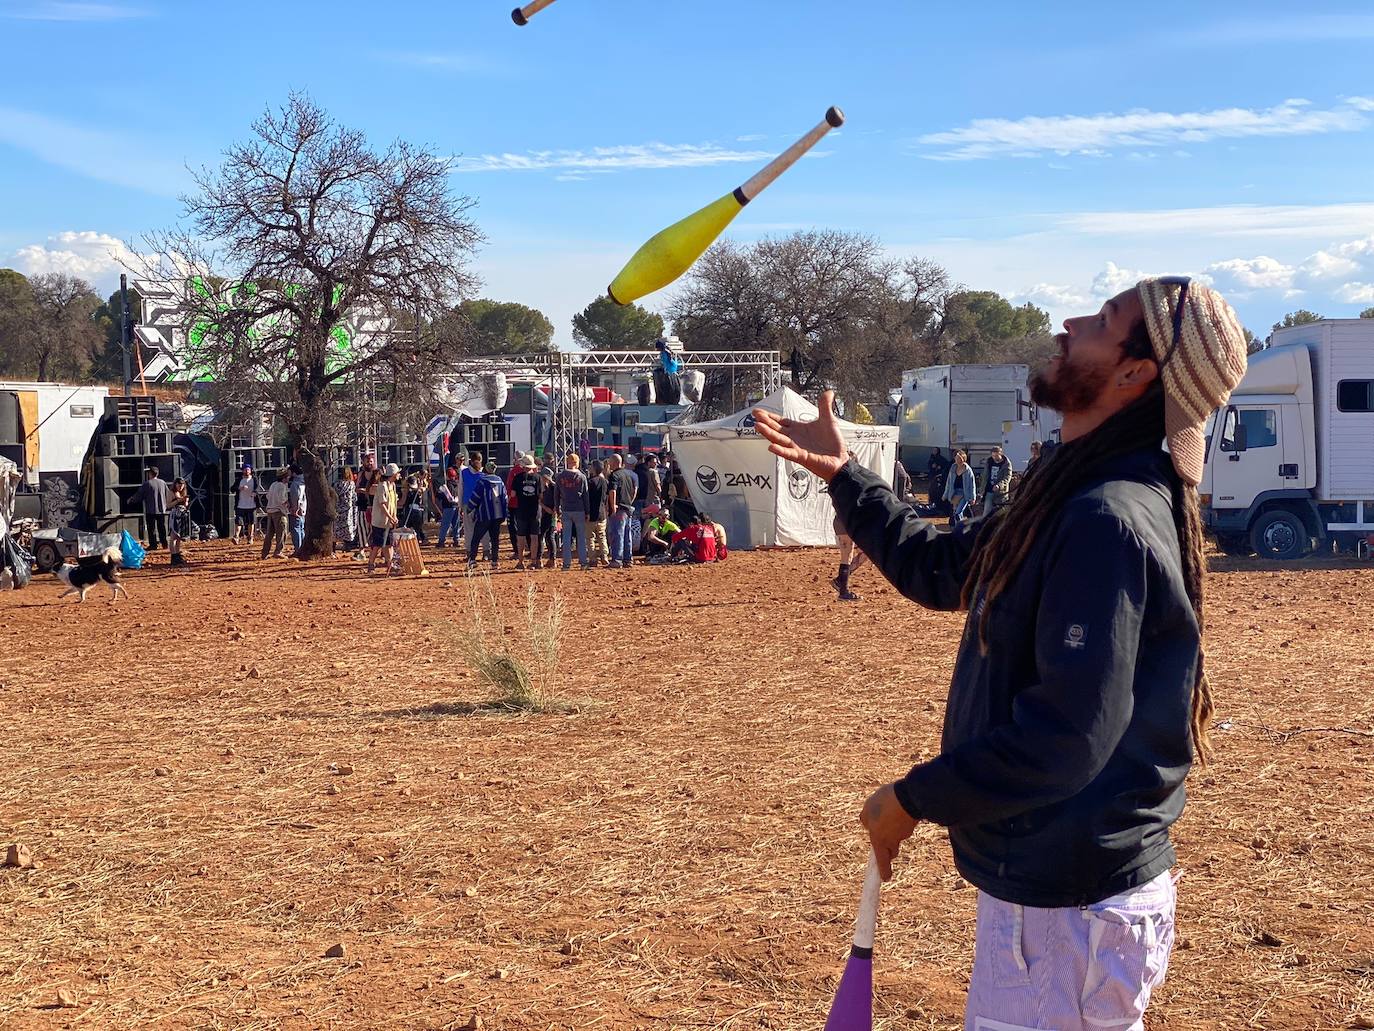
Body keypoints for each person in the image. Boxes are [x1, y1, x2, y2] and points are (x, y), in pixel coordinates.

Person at [753, 276, 1248, 1031]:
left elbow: (1067, 738)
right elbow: (944, 567)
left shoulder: (1105, 518)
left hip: (1071, 912)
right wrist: (846, 477)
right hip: (1056, 900)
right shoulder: (1067, 491)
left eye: (1103, 320)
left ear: (1133, 373)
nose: (1068, 324)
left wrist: (915, 798)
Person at [467, 460, 509, 571]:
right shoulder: (500, 481)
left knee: (476, 537)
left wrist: (469, 508)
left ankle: (472, 560)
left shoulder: (482, 481)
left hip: (484, 514)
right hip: (497, 515)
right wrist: (505, 513)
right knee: (495, 539)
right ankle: (494, 561)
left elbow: (475, 497)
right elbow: (505, 498)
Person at [366, 463, 401, 576]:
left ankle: (390, 565)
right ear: (393, 474)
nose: (399, 475)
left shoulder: (392, 486)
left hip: (389, 522)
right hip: (380, 521)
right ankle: (371, 564)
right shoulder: (382, 486)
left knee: (389, 544)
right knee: (377, 544)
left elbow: (393, 503)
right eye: (397, 473)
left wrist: (394, 516)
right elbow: (383, 505)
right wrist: (390, 517)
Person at [557, 452, 590, 571]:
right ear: (577, 463)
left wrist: (557, 509)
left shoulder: (560, 476)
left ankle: (566, 564)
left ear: (567, 462)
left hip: (566, 509)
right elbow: (586, 495)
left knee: (566, 538)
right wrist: (587, 511)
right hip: (579, 509)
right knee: (581, 537)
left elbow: (557, 494)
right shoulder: (582, 476)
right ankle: (583, 563)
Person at [509, 454, 542, 570]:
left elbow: (513, 494)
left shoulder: (518, 478)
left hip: (521, 510)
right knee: (534, 537)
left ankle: (521, 561)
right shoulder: (538, 478)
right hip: (534, 511)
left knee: (521, 537)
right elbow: (541, 495)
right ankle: (534, 561)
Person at [606, 454, 638, 569]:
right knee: (627, 535)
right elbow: (634, 490)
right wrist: (630, 502)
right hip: (628, 508)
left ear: (614, 463)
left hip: (619, 509)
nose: (609, 465)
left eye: (610, 462)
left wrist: (613, 506)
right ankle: (628, 560)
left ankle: (617, 560)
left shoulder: (614, 475)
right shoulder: (629, 475)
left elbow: (612, 491)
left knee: (618, 534)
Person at [832, 512, 866, 602]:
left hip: (844, 521)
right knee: (848, 556)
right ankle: (843, 591)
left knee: (849, 555)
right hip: (847, 521)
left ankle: (841, 581)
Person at [137, 466, 169, 551]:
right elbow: (167, 494)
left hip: (151, 510)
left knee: (151, 529)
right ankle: (164, 544)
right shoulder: (163, 482)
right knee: (162, 527)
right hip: (162, 509)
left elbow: (140, 495)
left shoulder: (147, 484)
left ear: (150, 474)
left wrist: (131, 500)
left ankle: (153, 545)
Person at [460, 451, 485, 558]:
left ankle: (470, 551)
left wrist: (460, 505)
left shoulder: (464, 472)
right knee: (483, 528)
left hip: (468, 503)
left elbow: (461, 489)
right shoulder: (484, 473)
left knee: (469, 529)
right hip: (480, 504)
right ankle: (486, 551)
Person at [585, 459, 610, 567]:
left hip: (591, 513)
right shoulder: (606, 482)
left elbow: (586, 498)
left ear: (594, 469)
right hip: (602, 513)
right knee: (602, 535)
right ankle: (604, 556)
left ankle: (593, 559)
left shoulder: (590, 482)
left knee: (590, 537)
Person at [261, 468, 290, 559]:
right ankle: (278, 551)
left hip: (270, 511)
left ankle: (264, 553)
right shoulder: (282, 486)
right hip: (279, 511)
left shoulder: (273, 484)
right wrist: (287, 503)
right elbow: (282, 499)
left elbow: (268, 496)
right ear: (284, 477)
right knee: (281, 533)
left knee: (269, 534)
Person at [943, 450, 977, 523]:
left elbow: (972, 484)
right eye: (956, 458)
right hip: (954, 493)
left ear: (963, 458)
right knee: (955, 513)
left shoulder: (968, 470)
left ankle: (961, 528)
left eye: (959, 458)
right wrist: (945, 494)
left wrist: (973, 497)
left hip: (965, 494)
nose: (958, 460)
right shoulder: (953, 468)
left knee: (958, 513)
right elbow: (949, 482)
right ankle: (958, 528)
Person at [400, 468, 429, 546]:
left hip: (413, 510)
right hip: (412, 509)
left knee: (414, 527)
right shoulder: (409, 488)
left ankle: (419, 540)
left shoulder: (418, 490)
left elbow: (402, 501)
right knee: (413, 526)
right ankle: (417, 540)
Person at [231, 463, 258, 544]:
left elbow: (257, 488)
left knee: (251, 522)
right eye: (245, 469)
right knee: (238, 522)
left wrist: (255, 493)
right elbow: (232, 488)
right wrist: (240, 488)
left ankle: (250, 537)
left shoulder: (254, 479)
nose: (247, 471)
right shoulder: (239, 479)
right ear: (242, 471)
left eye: (248, 469)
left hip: (251, 505)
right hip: (240, 505)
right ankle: (236, 536)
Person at [537, 467, 558, 569]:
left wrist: (554, 510)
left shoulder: (553, 487)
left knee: (549, 536)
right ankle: (539, 559)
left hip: (551, 514)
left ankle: (552, 559)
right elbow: (539, 501)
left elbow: (558, 500)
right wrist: (546, 508)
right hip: (543, 513)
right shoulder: (540, 487)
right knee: (541, 536)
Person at [435, 466, 462, 548]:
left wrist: (437, 492)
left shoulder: (446, 486)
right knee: (455, 524)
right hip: (457, 506)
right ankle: (456, 540)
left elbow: (440, 496)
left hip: (448, 507)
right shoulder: (457, 485)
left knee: (445, 524)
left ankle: (441, 541)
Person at [982, 445, 1013, 515]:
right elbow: (985, 477)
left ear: (1001, 454)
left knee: (998, 513)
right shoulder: (989, 462)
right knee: (986, 512)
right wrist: (982, 489)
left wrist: (999, 485)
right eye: (993, 456)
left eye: (996, 456)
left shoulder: (1006, 464)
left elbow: (1007, 477)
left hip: (1001, 493)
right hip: (989, 490)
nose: (994, 458)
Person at [167, 476, 191, 566]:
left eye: (182, 485)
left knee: (179, 537)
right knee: (173, 536)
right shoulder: (171, 492)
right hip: (175, 515)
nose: (180, 486)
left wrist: (185, 501)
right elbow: (168, 505)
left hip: (182, 515)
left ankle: (177, 554)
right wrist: (178, 500)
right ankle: (173, 556)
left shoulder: (183, 492)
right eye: (178, 484)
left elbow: (186, 505)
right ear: (175, 484)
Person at [335, 467, 358, 551]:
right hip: (348, 509)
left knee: (337, 528)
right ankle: (347, 546)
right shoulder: (351, 484)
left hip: (338, 508)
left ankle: (333, 546)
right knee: (348, 528)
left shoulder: (336, 484)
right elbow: (353, 497)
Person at [287, 463, 308, 554]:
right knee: (301, 528)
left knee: (296, 528)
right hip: (303, 508)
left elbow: (297, 497)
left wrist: (295, 508)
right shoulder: (303, 481)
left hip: (297, 509)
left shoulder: (296, 483)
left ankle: (298, 549)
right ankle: (302, 547)